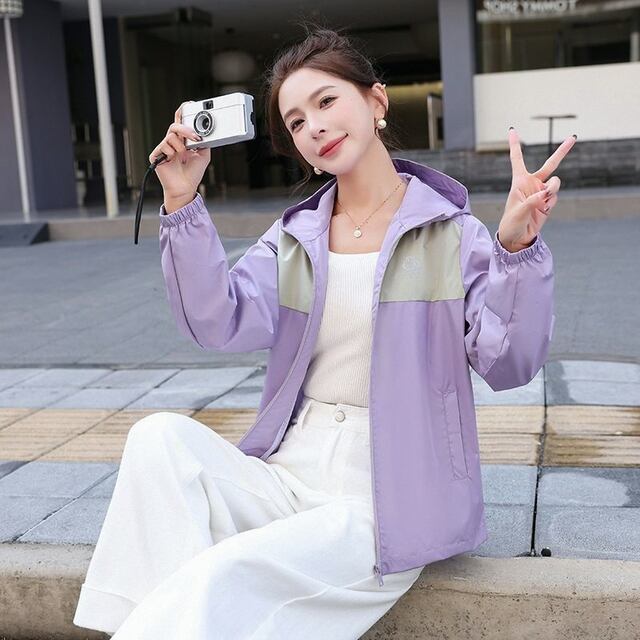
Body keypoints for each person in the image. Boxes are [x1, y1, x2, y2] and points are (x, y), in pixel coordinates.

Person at [72, 22, 575, 640]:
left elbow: (510, 364)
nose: (313, 125)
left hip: (384, 500)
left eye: (326, 100)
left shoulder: (451, 234)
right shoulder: (295, 238)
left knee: (222, 573)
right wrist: (181, 200)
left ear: (376, 101)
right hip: (288, 472)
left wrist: (516, 250)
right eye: (296, 120)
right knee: (158, 440)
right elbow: (216, 320)